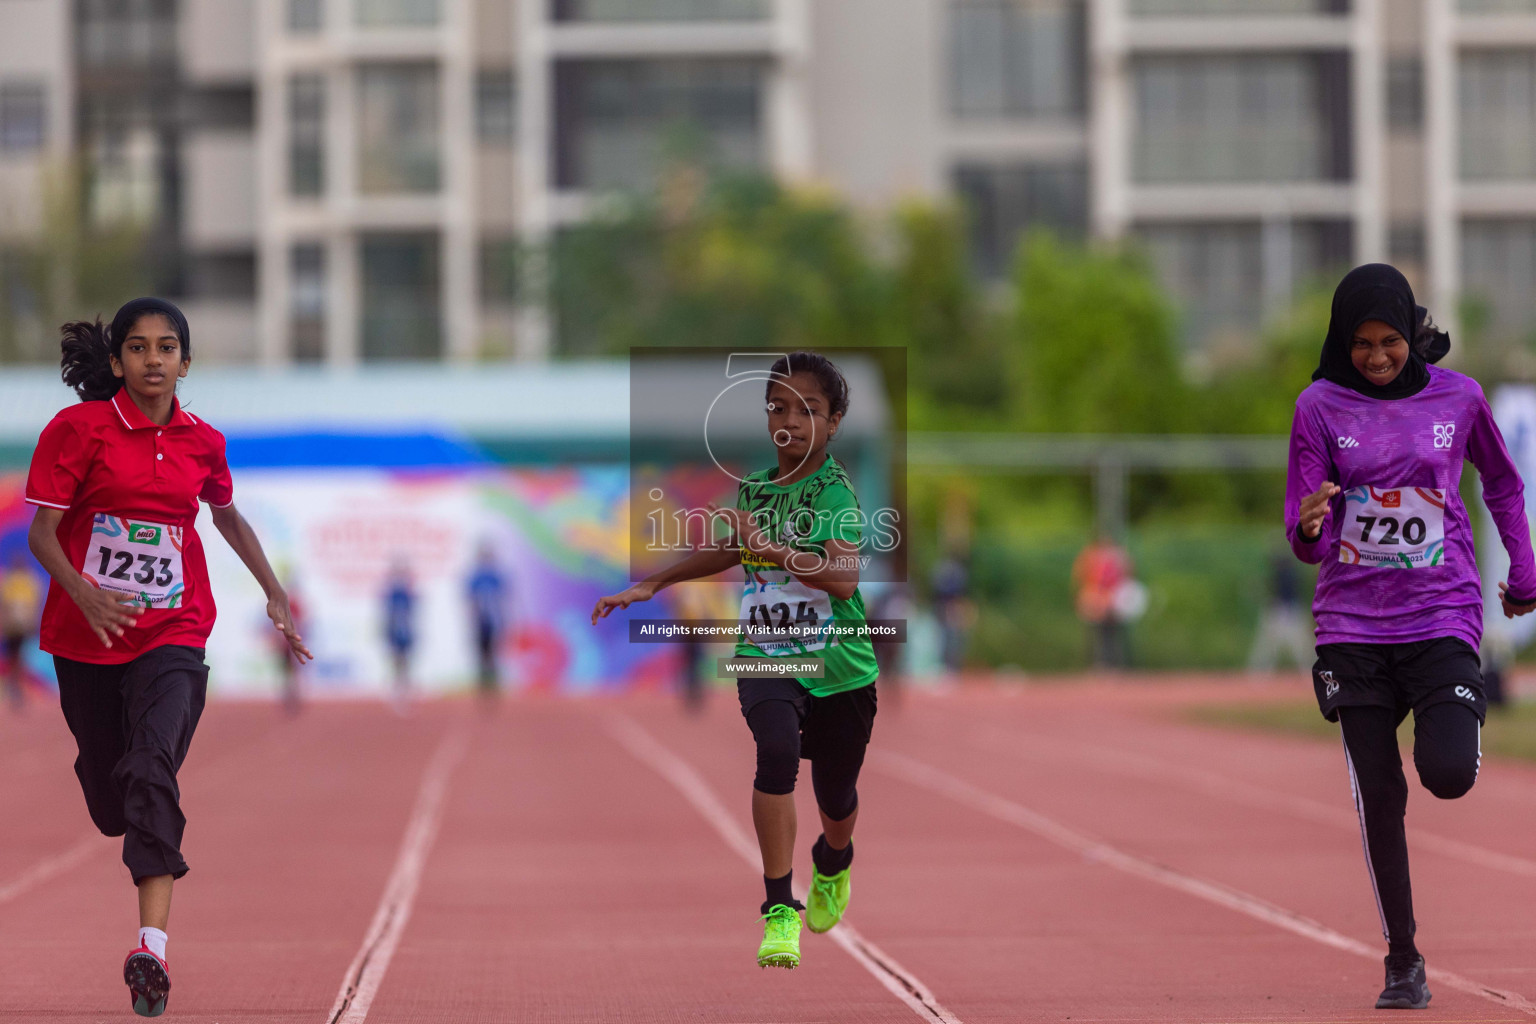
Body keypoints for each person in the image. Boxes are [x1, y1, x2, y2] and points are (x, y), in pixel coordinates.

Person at [24, 298, 310, 1018]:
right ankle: (113, 790)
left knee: (152, 769)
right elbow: (44, 534)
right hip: (86, 641)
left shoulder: (202, 442)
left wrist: (275, 593)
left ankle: (151, 948)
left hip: (174, 631)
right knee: (112, 797)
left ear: (186, 361)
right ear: (118, 361)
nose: (155, 360)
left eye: (168, 347)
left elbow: (225, 515)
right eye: (140, 348)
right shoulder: (76, 430)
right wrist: (87, 597)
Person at [1286, 264, 1536, 1011]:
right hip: (1352, 627)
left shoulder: (1457, 399)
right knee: (1380, 792)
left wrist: (1525, 569)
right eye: (1360, 344)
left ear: (1410, 335)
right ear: (1341, 342)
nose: (1376, 357)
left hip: (1441, 613)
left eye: (1389, 341)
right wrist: (1309, 522)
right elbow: (1306, 536)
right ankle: (1403, 957)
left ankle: (1464, 724)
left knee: (1448, 773)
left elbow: (1500, 480)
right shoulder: (1317, 407)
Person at [593, 351, 879, 970]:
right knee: (775, 754)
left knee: (836, 800)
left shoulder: (835, 493)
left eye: (808, 411)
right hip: (768, 653)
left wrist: (770, 549)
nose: (791, 422)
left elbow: (842, 578)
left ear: (833, 423)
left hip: (841, 667)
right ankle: (780, 911)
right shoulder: (753, 489)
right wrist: (653, 584)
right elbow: (729, 551)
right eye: (778, 408)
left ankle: (834, 862)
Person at [1246, 549, 1313, 673]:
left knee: (1271, 642)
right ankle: (1310, 670)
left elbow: (1276, 592)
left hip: (1283, 610)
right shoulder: (1294, 574)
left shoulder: (1282, 574)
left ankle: (1260, 671)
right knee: (1300, 644)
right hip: (1291, 609)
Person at [1072, 533, 1134, 668]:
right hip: (1097, 596)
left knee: (1112, 631)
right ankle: (1102, 662)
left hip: (1112, 598)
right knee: (1099, 631)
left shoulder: (1118, 557)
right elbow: (1083, 575)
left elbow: (1126, 576)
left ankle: (1114, 662)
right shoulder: (1092, 556)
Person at [0, 549, 43, 711]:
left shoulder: (29, 580)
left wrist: (34, 623)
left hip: (23, 626)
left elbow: (35, 604)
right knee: (13, 658)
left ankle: (19, 690)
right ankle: (15, 689)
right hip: (12, 626)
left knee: (20, 658)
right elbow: (4, 605)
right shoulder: (10, 581)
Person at [465, 543, 507, 702]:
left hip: (495, 621)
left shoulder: (496, 576)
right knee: (482, 653)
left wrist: (503, 620)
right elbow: (470, 601)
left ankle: (493, 685)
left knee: (494, 653)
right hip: (480, 622)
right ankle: (484, 686)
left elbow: (503, 599)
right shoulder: (475, 577)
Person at [383, 559, 416, 713]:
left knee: (405, 662)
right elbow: (388, 614)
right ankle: (397, 692)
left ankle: (405, 692)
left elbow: (411, 613)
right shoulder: (392, 593)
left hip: (405, 630)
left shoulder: (407, 592)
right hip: (395, 631)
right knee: (397, 662)